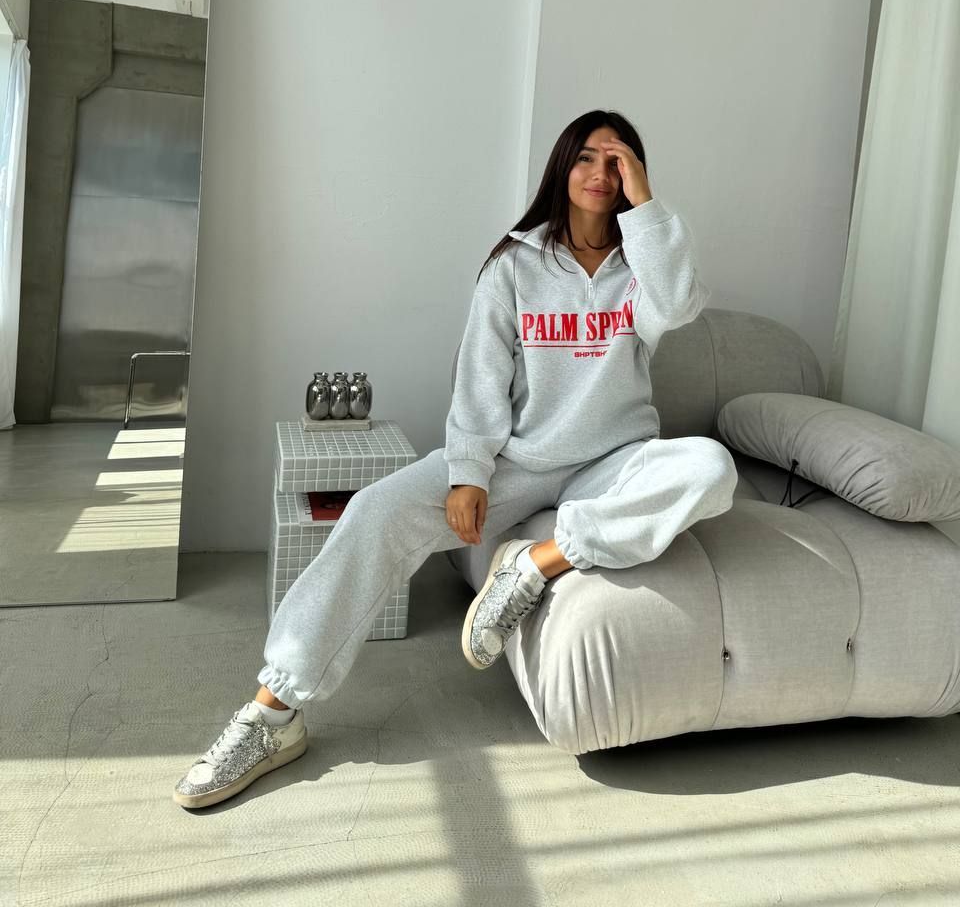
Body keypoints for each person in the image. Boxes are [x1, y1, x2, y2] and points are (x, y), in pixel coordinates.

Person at [172, 109, 739, 808]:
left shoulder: (643, 268)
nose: (600, 172)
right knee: (374, 511)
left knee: (710, 468)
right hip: (517, 460)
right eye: (587, 157)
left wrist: (645, 203)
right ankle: (272, 714)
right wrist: (470, 473)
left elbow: (677, 303)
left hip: (613, 461)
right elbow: (479, 380)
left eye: (617, 161)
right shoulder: (514, 266)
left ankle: (536, 563)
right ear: (562, 168)